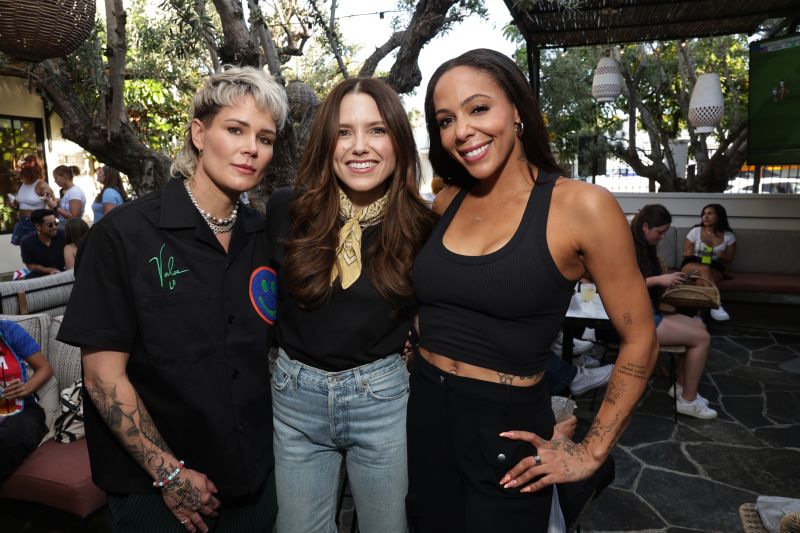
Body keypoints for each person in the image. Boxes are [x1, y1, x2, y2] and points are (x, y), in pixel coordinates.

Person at [409, 48, 658, 531]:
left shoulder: (581, 206)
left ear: (518, 110)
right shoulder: (445, 203)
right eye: (445, 120)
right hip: (424, 409)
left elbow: (641, 339)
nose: (461, 131)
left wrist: (591, 451)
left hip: (505, 426)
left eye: (478, 108)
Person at [57, 66, 288, 533]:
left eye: (264, 138)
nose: (251, 148)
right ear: (199, 134)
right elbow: (103, 378)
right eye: (235, 129)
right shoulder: (122, 237)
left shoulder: (263, 236)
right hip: (156, 494)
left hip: (256, 482)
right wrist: (169, 473)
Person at [266, 77, 436, 533]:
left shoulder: (425, 226)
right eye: (344, 132)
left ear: (399, 140)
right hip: (294, 400)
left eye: (376, 130)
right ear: (327, 143)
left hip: (380, 402)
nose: (359, 146)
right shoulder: (287, 209)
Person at [632, 204, 717, 419]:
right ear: (644, 227)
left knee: (700, 325)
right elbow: (623, 286)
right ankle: (688, 401)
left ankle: (680, 388)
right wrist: (660, 279)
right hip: (633, 320)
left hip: (647, 312)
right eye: (659, 232)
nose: (662, 237)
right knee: (702, 338)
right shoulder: (627, 247)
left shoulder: (645, 247)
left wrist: (669, 279)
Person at [0, 319, 54, 484]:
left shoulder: (8, 330)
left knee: (6, 440)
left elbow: (45, 368)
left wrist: (27, 387)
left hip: (22, 409)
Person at [680, 203, 736, 321]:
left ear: (719, 216)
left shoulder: (728, 236)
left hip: (714, 265)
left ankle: (698, 317)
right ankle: (716, 304)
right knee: (704, 269)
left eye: (710, 213)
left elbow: (730, 258)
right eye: (704, 214)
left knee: (702, 280)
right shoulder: (695, 231)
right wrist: (689, 251)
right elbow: (685, 252)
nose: (705, 216)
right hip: (692, 263)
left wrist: (721, 254)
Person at [9, 155, 54, 246]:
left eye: (20, 168)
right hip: (22, 222)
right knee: (27, 253)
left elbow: (52, 204)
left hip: (35, 224)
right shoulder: (22, 184)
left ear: (28, 171)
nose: (17, 171)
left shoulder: (41, 185)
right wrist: (14, 204)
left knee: (37, 252)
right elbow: (22, 204)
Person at [20, 209, 66, 277]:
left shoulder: (63, 235)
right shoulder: (27, 242)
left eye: (56, 223)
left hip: (64, 272)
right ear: (38, 226)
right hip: (40, 276)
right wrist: (49, 270)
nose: (54, 227)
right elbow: (30, 266)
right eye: (50, 225)